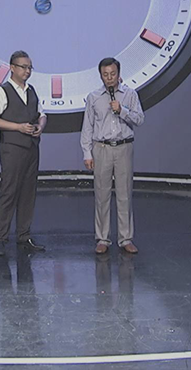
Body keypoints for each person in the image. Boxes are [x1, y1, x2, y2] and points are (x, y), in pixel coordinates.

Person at [80, 57, 144, 254]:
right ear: (101, 76)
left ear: (118, 74)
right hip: (102, 148)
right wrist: (87, 153)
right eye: (105, 74)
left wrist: (122, 110)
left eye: (112, 74)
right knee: (102, 195)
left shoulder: (130, 94)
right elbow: (87, 127)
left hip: (124, 147)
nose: (109, 78)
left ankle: (126, 238)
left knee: (124, 194)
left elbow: (139, 119)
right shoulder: (93, 97)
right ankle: (102, 239)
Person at [0, 51, 47, 256]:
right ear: (12, 68)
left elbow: (42, 114)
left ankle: (23, 235)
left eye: (29, 67)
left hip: (31, 148)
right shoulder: (1, 92)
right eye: (23, 67)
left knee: (28, 193)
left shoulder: (31, 91)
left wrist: (40, 126)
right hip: (12, 148)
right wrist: (18, 127)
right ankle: (0, 238)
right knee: (9, 191)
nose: (27, 71)